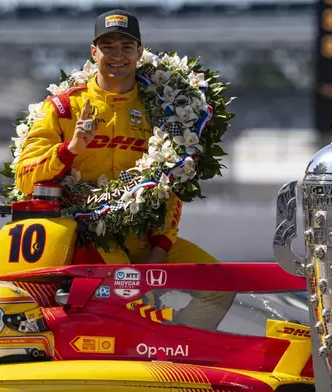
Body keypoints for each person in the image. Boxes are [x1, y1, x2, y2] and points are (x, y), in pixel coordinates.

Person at [15, 9, 234, 330]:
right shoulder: (63, 107)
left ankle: (176, 347)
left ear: (139, 52)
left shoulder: (164, 110)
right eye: (108, 46)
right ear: (94, 53)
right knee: (131, 296)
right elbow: (24, 175)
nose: (117, 55)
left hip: (145, 239)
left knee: (220, 287)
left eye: (126, 47)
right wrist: (71, 148)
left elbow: (171, 184)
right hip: (85, 240)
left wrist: (160, 248)